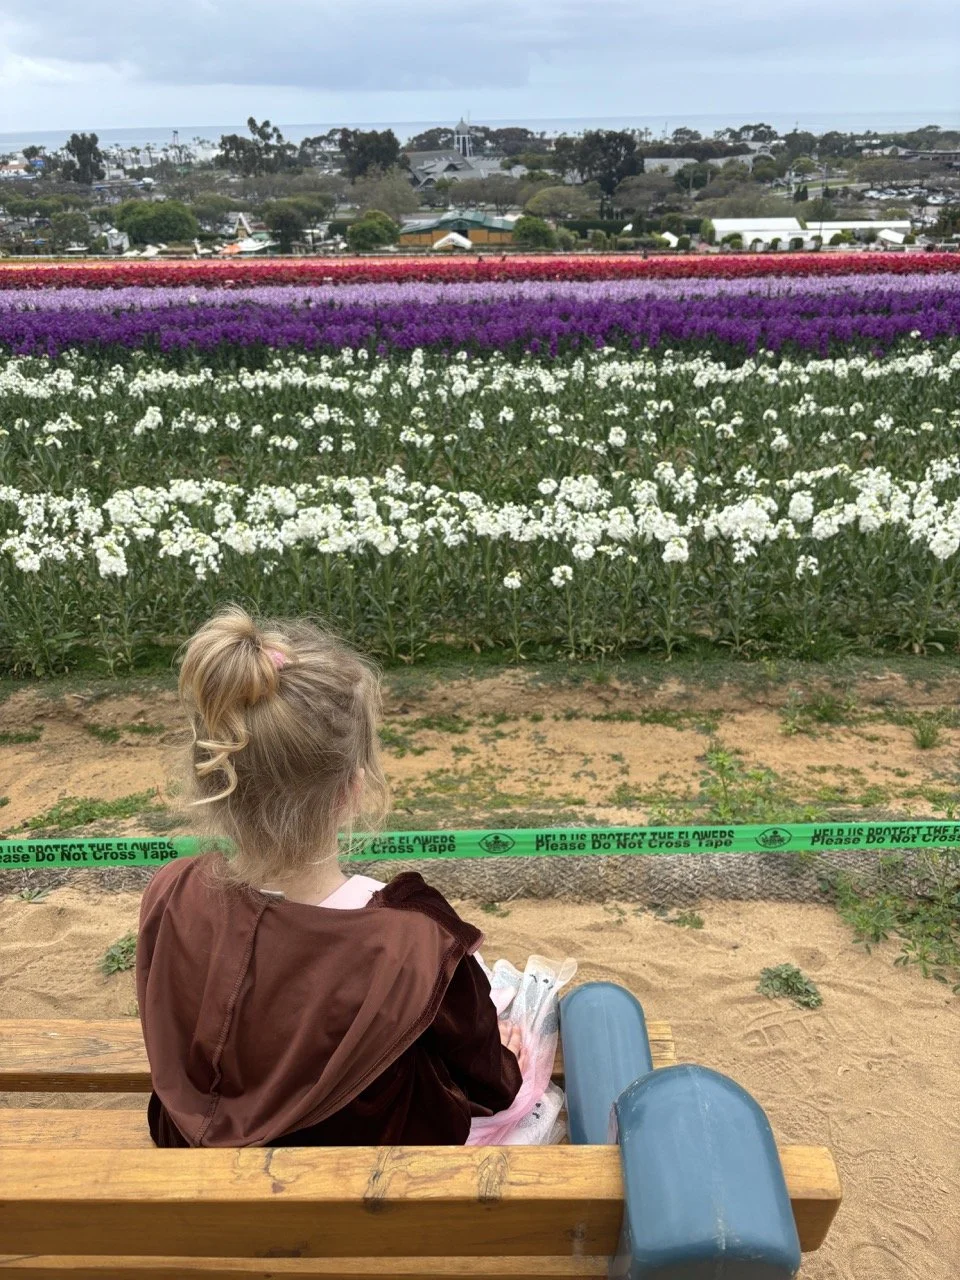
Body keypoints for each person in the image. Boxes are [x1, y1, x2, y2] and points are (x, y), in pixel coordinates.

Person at [136, 606, 523, 1148]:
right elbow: (494, 1087)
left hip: (196, 1174)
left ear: (213, 783)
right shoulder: (415, 942)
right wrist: (501, 1053)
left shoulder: (172, 893)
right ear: (352, 791)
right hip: (363, 1203)